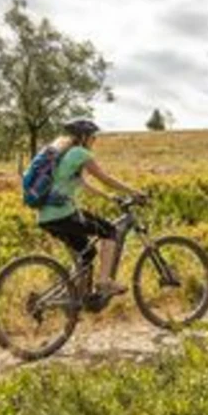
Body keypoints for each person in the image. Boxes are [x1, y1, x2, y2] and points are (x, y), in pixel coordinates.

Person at [36, 117, 146, 299]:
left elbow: (83, 184)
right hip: (63, 214)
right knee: (110, 231)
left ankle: (72, 298)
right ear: (84, 137)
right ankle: (104, 282)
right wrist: (134, 192)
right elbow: (104, 178)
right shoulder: (80, 153)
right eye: (93, 137)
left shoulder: (64, 154)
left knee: (87, 254)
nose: (94, 141)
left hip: (46, 216)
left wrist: (109, 197)